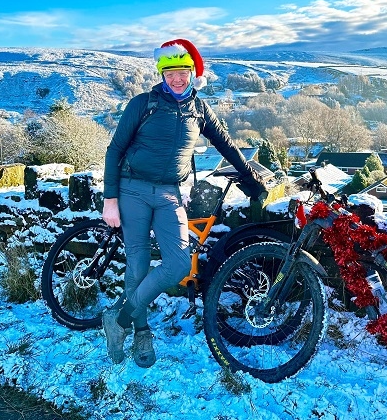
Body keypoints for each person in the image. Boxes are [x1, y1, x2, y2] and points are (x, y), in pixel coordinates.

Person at [101, 38, 266, 368]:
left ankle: (118, 321)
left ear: (194, 73)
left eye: (184, 71)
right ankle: (141, 333)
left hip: (170, 194)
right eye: (171, 72)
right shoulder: (142, 104)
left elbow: (228, 147)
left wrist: (253, 181)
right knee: (137, 265)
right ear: (162, 74)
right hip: (132, 189)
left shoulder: (200, 110)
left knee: (177, 265)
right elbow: (114, 150)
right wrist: (110, 199)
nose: (178, 78)